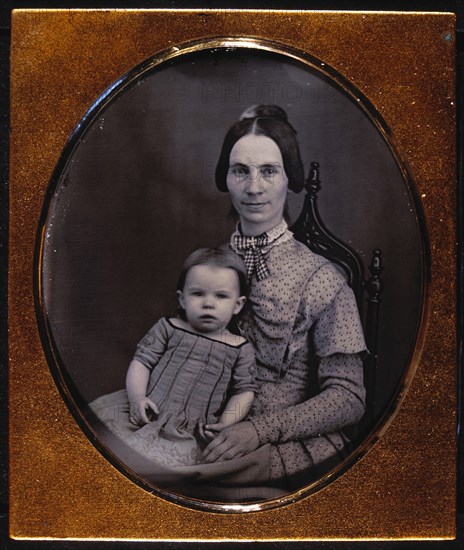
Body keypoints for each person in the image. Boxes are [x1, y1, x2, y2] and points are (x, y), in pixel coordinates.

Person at [196, 104, 367, 489]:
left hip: (289, 445)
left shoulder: (322, 279)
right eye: (241, 170)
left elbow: (349, 398)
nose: (253, 188)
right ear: (226, 177)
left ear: (290, 178)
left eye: (268, 171)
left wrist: (259, 430)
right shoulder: (209, 270)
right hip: (212, 428)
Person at [89, 248, 257, 468]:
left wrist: (226, 422)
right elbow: (142, 362)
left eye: (221, 296)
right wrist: (138, 397)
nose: (208, 303)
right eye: (198, 293)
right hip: (147, 411)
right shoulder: (169, 328)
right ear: (183, 299)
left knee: (154, 466)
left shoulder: (239, 348)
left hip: (187, 430)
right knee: (97, 443)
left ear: (238, 304)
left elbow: (244, 392)